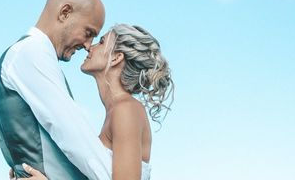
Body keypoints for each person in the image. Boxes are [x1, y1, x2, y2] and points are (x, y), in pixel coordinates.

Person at [12, 24, 174, 180]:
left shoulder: (126, 110)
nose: (90, 47)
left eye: (101, 42)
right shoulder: (118, 111)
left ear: (116, 58)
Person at [0, 0, 113, 180]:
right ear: (65, 12)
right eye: (88, 33)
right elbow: (74, 136)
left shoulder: (32, 54)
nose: (88, 45)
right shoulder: (32, 52)